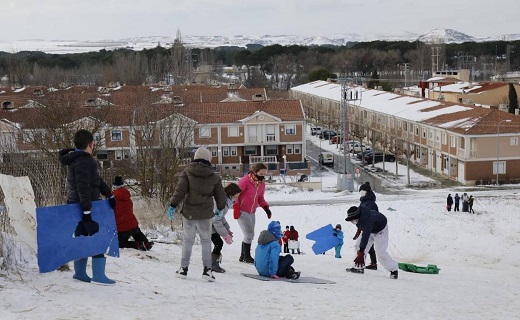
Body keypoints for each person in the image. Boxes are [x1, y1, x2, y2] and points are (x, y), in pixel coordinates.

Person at [59, 129, 117, 284]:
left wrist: (109, 194)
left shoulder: (76, 159)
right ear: (91, 144)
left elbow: (96, 180)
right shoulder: (85, 161)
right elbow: (83, 187)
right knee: (97, 238)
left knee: (82, 238)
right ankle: (98, 276)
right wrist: (86, 211)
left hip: (76, 206)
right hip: (87, 207)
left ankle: (80, 273)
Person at [168, 147, 226, 282]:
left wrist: (172, 205)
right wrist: (220, 208)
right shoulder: (214, 176)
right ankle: (207, 270)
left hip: (189, 213)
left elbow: (179, 191)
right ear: (209, 159)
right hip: (205, 214)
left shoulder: (187, 172)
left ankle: (183, 269)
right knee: (206, 241)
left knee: (188, 241)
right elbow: (221, 197)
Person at [345, 205, 399, 279]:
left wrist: (361, 252)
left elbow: (365, 237)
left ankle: (394, 270)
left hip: (380, 230)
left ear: (358, 216)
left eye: (354, 220)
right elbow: (362, 227)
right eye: (352, 221)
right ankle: (359, 268)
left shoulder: (367, 220)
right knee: (358, 246)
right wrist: (359, 229)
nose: (353, 222)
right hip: (370, 229)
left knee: (380, 252)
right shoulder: (358, 217)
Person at [234, 163, 271, 263]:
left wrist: (266, 208)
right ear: (255, 172)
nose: (262, 176)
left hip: (252, 212)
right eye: (261, 173)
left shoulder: (261, 184)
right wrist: (236, 208)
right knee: (250, 235)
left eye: (264, 174)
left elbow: (260, 198)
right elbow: (236, 194)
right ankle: (247, 257)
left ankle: (242, 256)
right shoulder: (245, 181)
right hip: (242, 211)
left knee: (248, 235)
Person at [112, 176, 154, 251]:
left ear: (114, 187)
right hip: (133, 223)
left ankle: (138, 245)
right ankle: (146, 243)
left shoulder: (113, 199)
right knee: (137, 233)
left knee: (120, 243)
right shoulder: (128, 198)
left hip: (123, 227)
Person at [211, 183, 241, 273]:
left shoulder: (225, 202)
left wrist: (227, 229)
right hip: (207, 223)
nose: (236, 199)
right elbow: (216, 220)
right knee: (218, 243)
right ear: (230, 195)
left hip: (211, 223)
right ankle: (212, 264)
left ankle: (211, 263)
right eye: (236, 197)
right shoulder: (220, 202)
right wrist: (225, 235)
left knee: (218, 243)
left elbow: (221, 217)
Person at [352, 182, 378, 270]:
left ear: (367, 192)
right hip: (365, 226)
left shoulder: (370, 203)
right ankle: (372, 263)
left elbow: (371, 216)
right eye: (360, 191)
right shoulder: (363, 201)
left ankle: (362, 265)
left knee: (363, 245)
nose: (361, 192)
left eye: (363, 191)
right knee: (367, 245)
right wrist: (359, 229)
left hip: (371, 227)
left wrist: (365, 227)